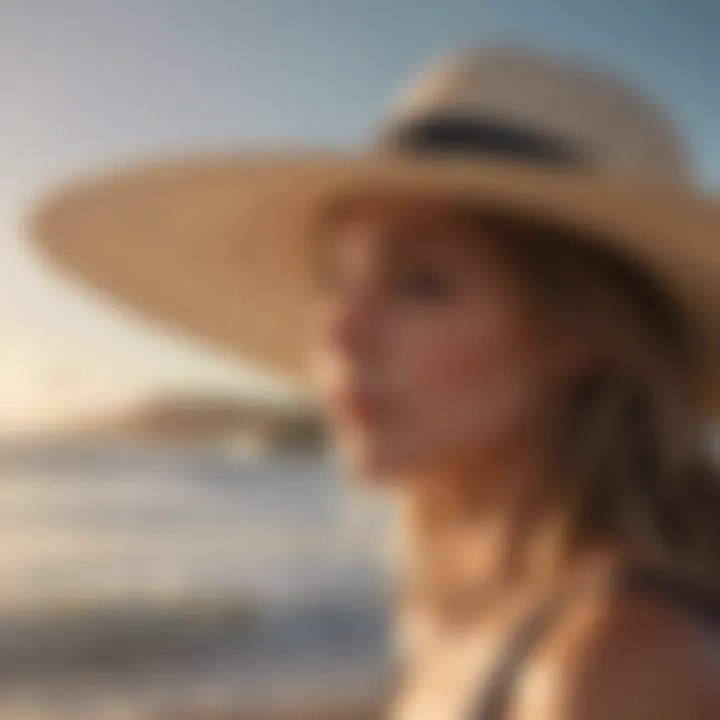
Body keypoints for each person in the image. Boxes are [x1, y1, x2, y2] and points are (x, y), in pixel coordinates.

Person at [30, 45, 720, 719]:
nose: (340, 333)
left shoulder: (613, 664)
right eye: (335, 283)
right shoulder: (458, 612)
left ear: (578, 335)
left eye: (420, 284)